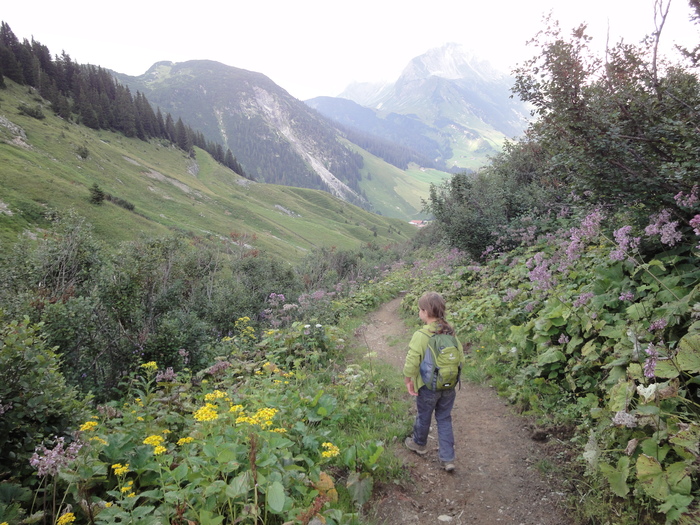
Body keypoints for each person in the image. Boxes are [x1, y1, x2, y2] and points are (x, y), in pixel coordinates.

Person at [403, 291, 464, 472]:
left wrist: (409, 379)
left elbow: (412, 361)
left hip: (428, 387)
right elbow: (460, 357)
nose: (419, 313)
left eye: (420, 310)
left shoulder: (422, 335)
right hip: (449, 386)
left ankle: (419, 444)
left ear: (425, 312)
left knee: (424, 415)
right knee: (444, 418)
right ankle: (448, 458)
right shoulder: (450, 332)